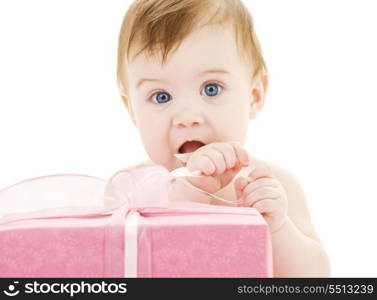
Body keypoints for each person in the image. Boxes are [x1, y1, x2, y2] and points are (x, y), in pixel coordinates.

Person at [107, 0, 331, 277]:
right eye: (161, 96)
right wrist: (190, 195)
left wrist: (278, 227)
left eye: (211, 89)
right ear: (132, 110)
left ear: (254, 96)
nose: (187, 116)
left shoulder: (273, 185)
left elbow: (316, 279)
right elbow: (118, 275)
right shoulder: (129, 190)